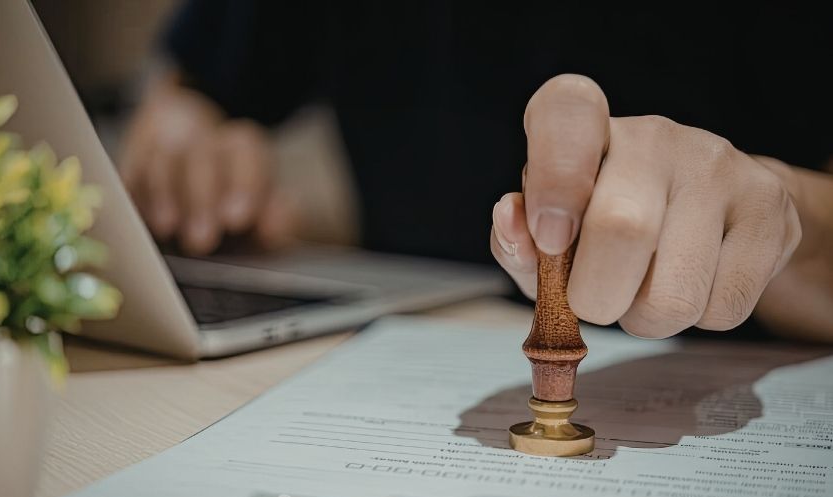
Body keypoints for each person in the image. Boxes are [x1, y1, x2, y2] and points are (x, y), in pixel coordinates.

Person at [119, 1, 833, 343]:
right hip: (391, 353)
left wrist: (784, 216)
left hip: (740, 382)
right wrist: (189, 141)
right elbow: (192, 87)